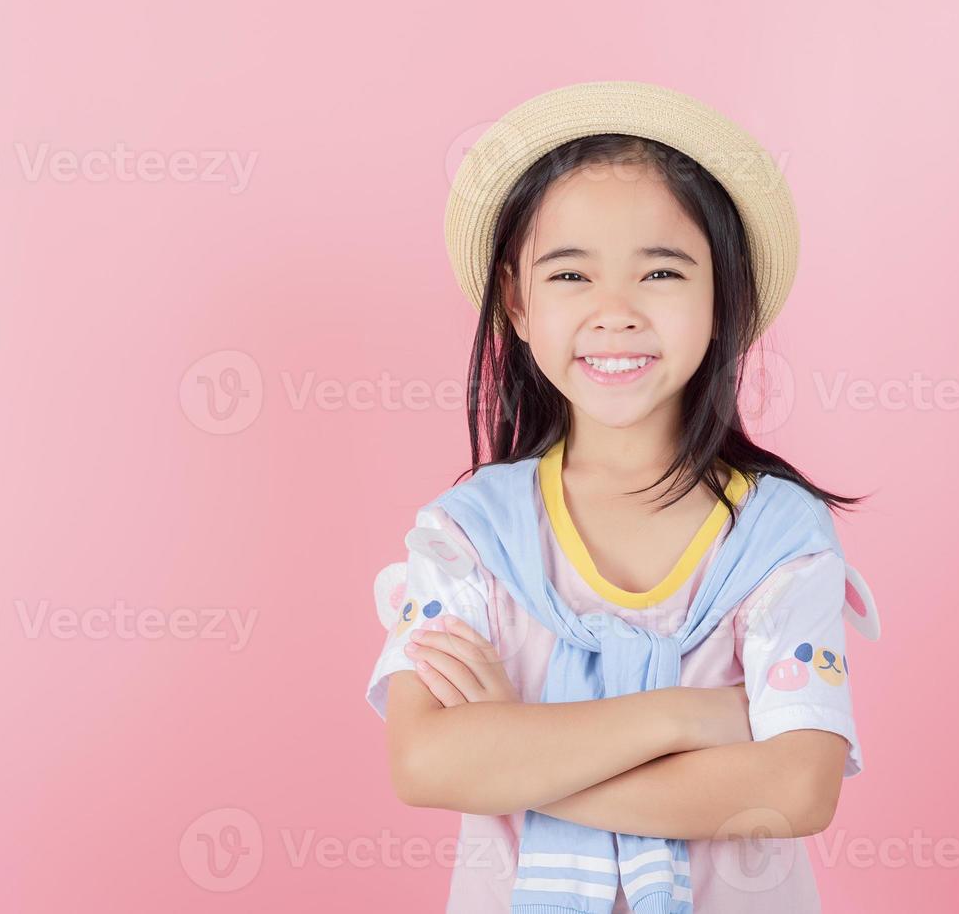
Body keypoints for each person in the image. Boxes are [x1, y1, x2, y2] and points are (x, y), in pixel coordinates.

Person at [365, 80, 875, 913]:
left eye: (662, 272)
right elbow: (425, 764)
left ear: (724, 300)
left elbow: (795, 788)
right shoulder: (471, 537)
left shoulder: (778, 537)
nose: (614, 313)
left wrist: (519, 755)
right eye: (570, 273)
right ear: (516, 303)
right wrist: (685, 717)